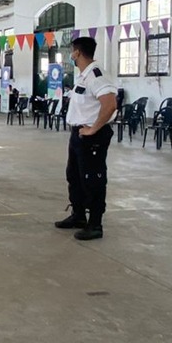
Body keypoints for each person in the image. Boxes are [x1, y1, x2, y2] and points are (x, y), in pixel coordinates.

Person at [55, 36, 117, 241]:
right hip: (78, 135)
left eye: (72, 51)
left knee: (93, 179)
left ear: (77, 53)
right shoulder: (84, 76)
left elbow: (110, 105)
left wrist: (93, 129)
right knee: (75, 176)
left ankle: (95, 224)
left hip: (92, 137)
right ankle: (79, 215)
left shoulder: (97, 75)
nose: (71, 55)